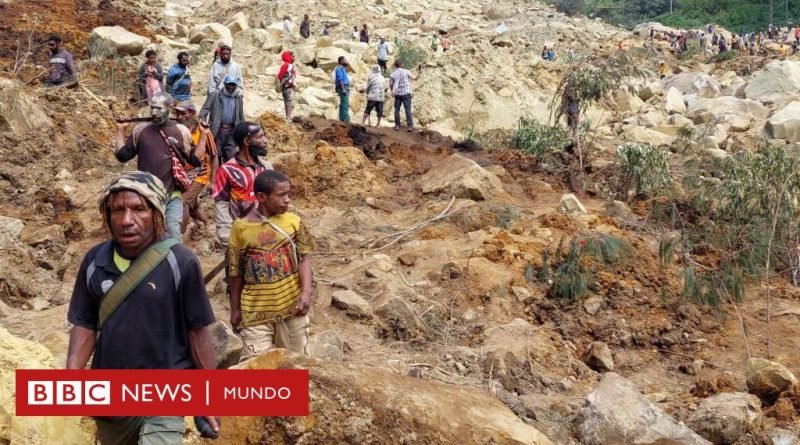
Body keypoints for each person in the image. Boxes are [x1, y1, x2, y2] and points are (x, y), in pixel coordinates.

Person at [66, 171, 219, 444]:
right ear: (107, 216)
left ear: (157, 214)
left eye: (139, 209)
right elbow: (85, 324)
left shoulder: (181, 262)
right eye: (117, 210)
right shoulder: (94, 261)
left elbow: (197, 332)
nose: (127, 220)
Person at [228, 170, 315, 357]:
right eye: (281, 195)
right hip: (255, 314)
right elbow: (236, 273)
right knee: (257, 367)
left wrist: (306, 292)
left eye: (288, 194)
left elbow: (304, 259)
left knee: (295, 364)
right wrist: (235, 309)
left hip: (292, 309)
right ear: (261, 197)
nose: (287, 200)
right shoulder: (240, 228)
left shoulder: (294, 222)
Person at [115, 92, 201, 241]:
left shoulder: (181, 131)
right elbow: (122, 156)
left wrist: (204, 134)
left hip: (171, 195)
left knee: (173, 236)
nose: (154, 112)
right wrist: (120, 130)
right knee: (148, 237)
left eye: (159, 108)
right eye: (152, 108)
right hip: (146, 196)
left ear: (170, 108)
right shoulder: (140, 130)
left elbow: (194, 160)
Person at [212, 121, 272, 247]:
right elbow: (222, 206)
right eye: (260, 137)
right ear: (246, 141)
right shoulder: (226, 171)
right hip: (242, 237)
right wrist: (227, 239)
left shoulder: (266, 167)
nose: (266, 141)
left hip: (268, 234)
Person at [174, 102, 217, 232]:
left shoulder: (203, 131)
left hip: (199, 174)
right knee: (193, 208)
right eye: (177, 113)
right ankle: (207, 225)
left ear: (192, 114)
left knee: (182, 203)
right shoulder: (176, 130)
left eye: (183, 113)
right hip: (181, 175)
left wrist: (213, 181)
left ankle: (179, 237)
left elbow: (214, 155)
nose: (179, 117)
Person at [200, 76, 245, 164]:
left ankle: (226, 171)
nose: (231, 87)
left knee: (230, 155)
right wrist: (203, 121)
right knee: (216, 155)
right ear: (224, 84)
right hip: (217, 130)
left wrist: (242, 131)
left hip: (232, 131)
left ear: (236, 86)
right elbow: (204, 110)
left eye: (233, 85)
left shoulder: (238, 98)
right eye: (229, 84)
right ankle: (216, 172)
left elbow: (241, 116)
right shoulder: (215, 95)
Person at [389, 60, 416, 131]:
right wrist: (419, 73)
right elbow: (414, 78)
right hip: (406, 93)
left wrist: (393, 91)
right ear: (401, 64)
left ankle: (397, 125)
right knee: (408, 109)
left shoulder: (392, 74)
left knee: (396, 110)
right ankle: (410, 126)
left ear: (395, 65)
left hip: (397, 94)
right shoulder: (406, 71)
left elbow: (391, 85)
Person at [277, 50, 297, 121]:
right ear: (288, 57)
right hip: (287, 86)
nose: (294, 58)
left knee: (288, 101)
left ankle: (288, 117)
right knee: (289, 101)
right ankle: (288, 118)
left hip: (289, 86)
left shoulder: (290, 65)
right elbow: (280, 75)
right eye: (293, 56)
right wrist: (286, 81)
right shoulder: (286, 65)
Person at [334, 56, 351, 122]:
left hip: (343, 87)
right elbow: (340, 79)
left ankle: (342, 119)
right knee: (345, 103)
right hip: (343, 87)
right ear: (341, 61)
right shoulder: (339, 69)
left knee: (342, 104)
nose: (346, 61)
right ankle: (346, 119)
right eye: (345, 60)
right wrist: (343, 89)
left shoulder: (342, 68)